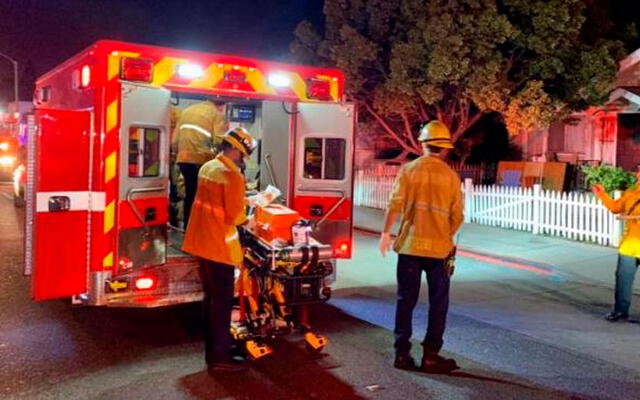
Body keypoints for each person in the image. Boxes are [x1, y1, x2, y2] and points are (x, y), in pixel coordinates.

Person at [379, 120, 463, 373]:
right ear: (445, 148)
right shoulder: (451, 176)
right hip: (439, 252)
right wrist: (445, 236)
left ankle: (402, 355)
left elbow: (394, 204)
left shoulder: (409, 170)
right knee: (438, 305)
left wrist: (385, 233)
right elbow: (457, 217)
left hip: (409, 249)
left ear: (423, 144)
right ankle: (430, 356)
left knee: (406, 302)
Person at [182, 127, 256, 373]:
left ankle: (217, 347)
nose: (242, 159)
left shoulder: (208, 167)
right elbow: (235, 216)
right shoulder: (232, 175)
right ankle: (219, 357)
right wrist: (252, 219)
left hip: (201, 242)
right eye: (242, 154)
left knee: (211, 300)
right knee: (222, 303)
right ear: (234, 149)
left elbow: (215, 202)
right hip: (219, 247)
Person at [592, 165, 640, 322]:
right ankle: (620, 311)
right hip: (629, 246)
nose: (638, 173)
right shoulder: (631, 192)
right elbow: (615, 207)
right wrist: (602, 195)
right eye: (638, 170)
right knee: (623, 280)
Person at [171, 100, 229, 228]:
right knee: (203, 197)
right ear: (222, 105)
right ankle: (199, 230)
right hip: (202, 160)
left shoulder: (186, 111)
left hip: (183, 160)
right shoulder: (216, 114)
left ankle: (187, 228)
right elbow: (219, 140)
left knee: (190, 194)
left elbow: (174, 141)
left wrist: (178, 155)